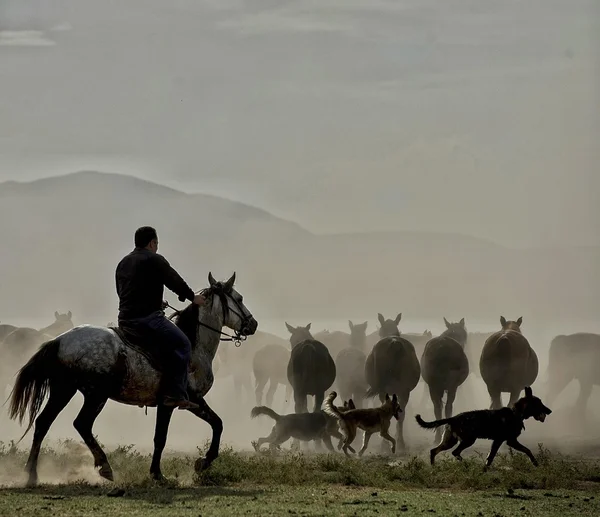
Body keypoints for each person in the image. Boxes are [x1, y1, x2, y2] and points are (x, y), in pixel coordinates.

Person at [115, 226, 206, 410]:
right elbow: (174, 281)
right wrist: (193, 297)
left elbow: (124, 292)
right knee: (183, 344)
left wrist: (156, 301)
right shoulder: (155, 259)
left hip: (125, 321)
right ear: (152, 243)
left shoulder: (123, 263)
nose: (156, 247)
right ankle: (176, 394)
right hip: (148, 320)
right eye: (156, 243)